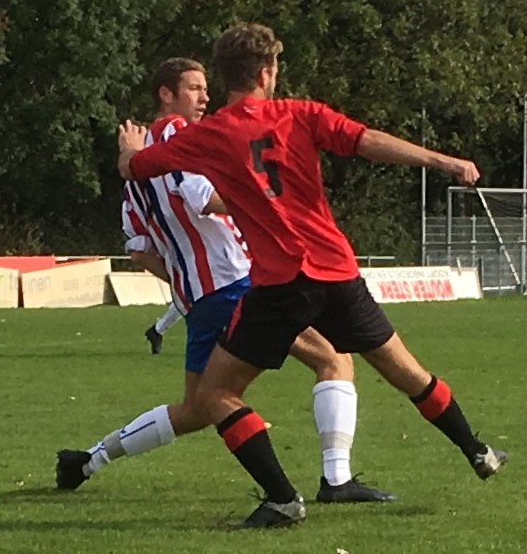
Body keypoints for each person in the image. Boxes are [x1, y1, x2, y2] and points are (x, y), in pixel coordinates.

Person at [112, 22, 502, 528]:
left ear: (227, 77)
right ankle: (476, 450)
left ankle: (281, 498)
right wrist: (442, 160)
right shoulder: (302, 114)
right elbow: (369, 141)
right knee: (406, 372)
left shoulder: (209, 135)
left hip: (279, 285)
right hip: (338, 272)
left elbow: (137, 168)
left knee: (214, 396)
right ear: (268, 73)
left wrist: (128, 148)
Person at [61, 57, 392, 503]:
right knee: (334, 361)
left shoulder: (136, 171)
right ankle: (335, 481)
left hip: (200, 296)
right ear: (166, 94)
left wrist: (185, 283)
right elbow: (208, 198)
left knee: (197, 407)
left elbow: (140, 248)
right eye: (195, 89)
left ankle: (88, 460)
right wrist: (273, 205)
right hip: (237, 281)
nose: (206, 97)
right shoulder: (182, 137)